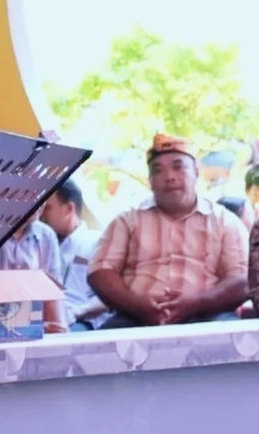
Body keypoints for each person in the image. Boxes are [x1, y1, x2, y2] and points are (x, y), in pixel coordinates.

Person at [88, 134, 248, 328]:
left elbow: (243, 279)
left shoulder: (226, 221)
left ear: (196, 173)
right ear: (150, 180)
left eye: (178, 167)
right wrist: (138, 305)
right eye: (158, 171)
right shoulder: (126, 221)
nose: (169, 176)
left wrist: (198, 303)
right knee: (107, 340)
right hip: (135, 316)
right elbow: (100, 271)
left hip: (208, 316)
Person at [40, 179, 109, 331]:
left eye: (47, 208)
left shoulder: (98, 242)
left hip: (82, 322)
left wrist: (77, 312)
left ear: (69, 209)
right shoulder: (40, 244)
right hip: (45, 321)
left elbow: (111, 297)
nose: (41, 215)